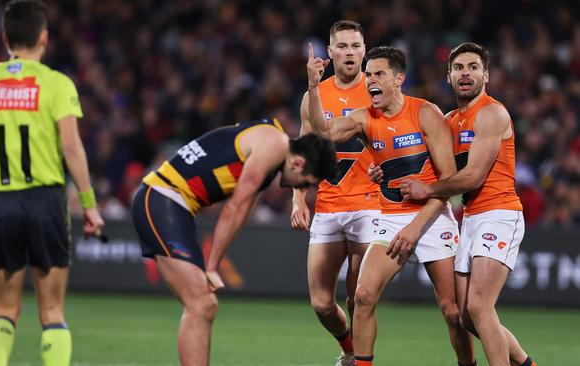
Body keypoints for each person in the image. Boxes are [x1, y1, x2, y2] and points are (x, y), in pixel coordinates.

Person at [0, 1, 105, 365]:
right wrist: (90, 204)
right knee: (52, 313)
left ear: (5, 38)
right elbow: (70, 145)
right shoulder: (56, 84)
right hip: (45, 203)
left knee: (3, 310)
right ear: (44, 38)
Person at [306, 45, 475, 366]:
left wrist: (415, 229)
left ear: (399, 79)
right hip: (390, 219)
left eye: (378, 74)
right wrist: (314, 87)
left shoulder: (425, 113)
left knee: (453, 313)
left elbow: (448, 182)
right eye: (368, 74)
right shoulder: (365, 119)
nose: (370, 80)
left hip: (432, 218)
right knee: (363, 296)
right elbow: (322, 133)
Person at [131, 118, 337, 366]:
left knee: (204, 305)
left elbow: (242, 213)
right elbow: (235, 206)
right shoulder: (274, 144)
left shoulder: (272, 152)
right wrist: (211, 266)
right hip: (161, 198)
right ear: (298, 163)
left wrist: (213, 263)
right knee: (201, 303)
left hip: (174, 206)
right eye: (308, 183)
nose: (305, 189)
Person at [398, 42, 537, 366]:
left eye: (473, 67)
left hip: (499, 213)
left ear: (485, 75)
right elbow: (428, 166)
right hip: (472, 218)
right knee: (466, 316)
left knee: (478, 306)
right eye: (459, 67)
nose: (466, 73)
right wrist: (385, 170)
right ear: (448, 76)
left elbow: (473, 177)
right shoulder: (449, 121)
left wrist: (427, 189)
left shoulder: (491, 113)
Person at [290, 20, 380, 366]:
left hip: (369, 206)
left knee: (359, 299)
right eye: (341, 46)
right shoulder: (314, 95)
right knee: (321, 304)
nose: (349, 52)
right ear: (329, 52)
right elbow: (304, 152)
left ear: (364, 50)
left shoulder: (378, 91)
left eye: (355, 46)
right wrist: (298, 198)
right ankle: (348, 350)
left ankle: (361, 361)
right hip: (328, 206)